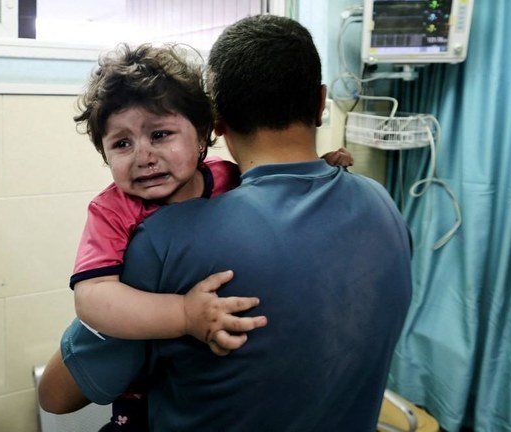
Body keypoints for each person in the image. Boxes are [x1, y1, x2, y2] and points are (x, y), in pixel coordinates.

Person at [41, 14, 410, 431]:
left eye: (160, 134)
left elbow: (55, 395)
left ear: (212, 124)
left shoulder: (165, 241)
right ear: (322, 102)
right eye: (123, 144)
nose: (144, 156)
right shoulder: (385, 207)